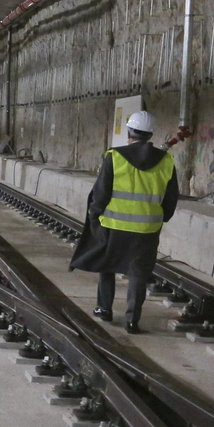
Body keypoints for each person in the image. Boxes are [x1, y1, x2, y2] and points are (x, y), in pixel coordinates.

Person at [69, 110, 179, 334]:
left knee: (107, 266)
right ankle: (132, 320)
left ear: (129, 132)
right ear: (150, 134)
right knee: (138, 273)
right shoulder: (166, 161)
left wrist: (94, 217)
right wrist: (160, 218)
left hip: (114, 226)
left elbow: (101, 193)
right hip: (147, 229)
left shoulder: (114, 157)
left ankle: (104, 309)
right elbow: (171, 198)